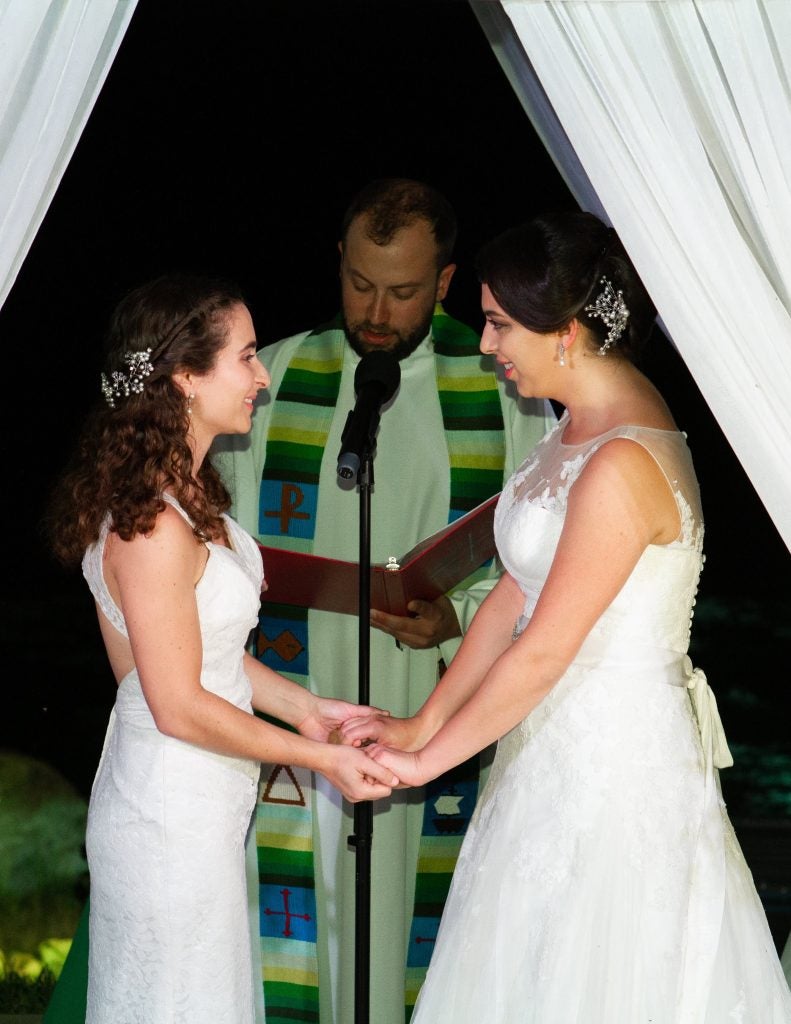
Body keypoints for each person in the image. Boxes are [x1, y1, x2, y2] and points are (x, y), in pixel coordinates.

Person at [344, 211, 791, 1021]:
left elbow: (544, 650)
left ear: (567, 331)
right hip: (544, 754)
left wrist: (425, 764)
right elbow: (515, 591)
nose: (485, 345)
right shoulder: (571, 431)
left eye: (498, 323)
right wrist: (421, 724)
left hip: (612, 771)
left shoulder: (621, 460)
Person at [211, 178, 556, 1023]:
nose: (375, 308)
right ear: (338, 262)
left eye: (401, 291)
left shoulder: (506, 393)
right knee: (303, 919)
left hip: (433, 691)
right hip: (299, 705)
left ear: (442, 283)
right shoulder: (278, 376)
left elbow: (540, 562)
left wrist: (452, 617)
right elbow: (212, 534)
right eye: (359, 283)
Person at [46, 274, 398, 1024]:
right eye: (244, 357)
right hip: (167, 814)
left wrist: (309, 709)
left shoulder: (175, 499)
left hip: (191, 805)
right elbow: (168, 699)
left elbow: (197, 655)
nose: (262, 374)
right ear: (183, 378)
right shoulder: (152, 528)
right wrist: (324, 760)